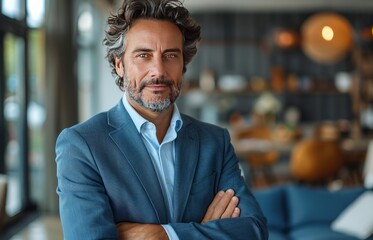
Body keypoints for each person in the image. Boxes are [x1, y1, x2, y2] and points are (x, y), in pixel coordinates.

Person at [55, 0, 268, 239]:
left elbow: (253, 230)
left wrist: (163, 235)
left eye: (170, 55)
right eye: (143, 55)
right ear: (120, 65)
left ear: (183, 65)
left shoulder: (215, 141)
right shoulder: (81, 145)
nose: (158, 70)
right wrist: (205, 231)